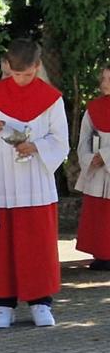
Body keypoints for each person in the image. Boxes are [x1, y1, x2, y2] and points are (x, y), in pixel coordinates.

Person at [0, 39, 68, 328]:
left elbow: (61, 140)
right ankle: (3, 303)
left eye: (27, 74)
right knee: (2, 240)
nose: (21, 80)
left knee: (38, 240)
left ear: (37, 66)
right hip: (2, 178)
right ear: (8, 66)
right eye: (16, 73)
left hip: (35, 180)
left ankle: (40, 302)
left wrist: (36, 147)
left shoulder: (51, 98)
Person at [74, 66, 110, 270]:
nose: (104, 83)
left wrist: (105, 156)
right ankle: (101, 254)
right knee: (98, 213)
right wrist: (89, 159)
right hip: (97, 169)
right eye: (103, 78)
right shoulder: (93, 108)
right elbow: (84, 140)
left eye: (109, 79)